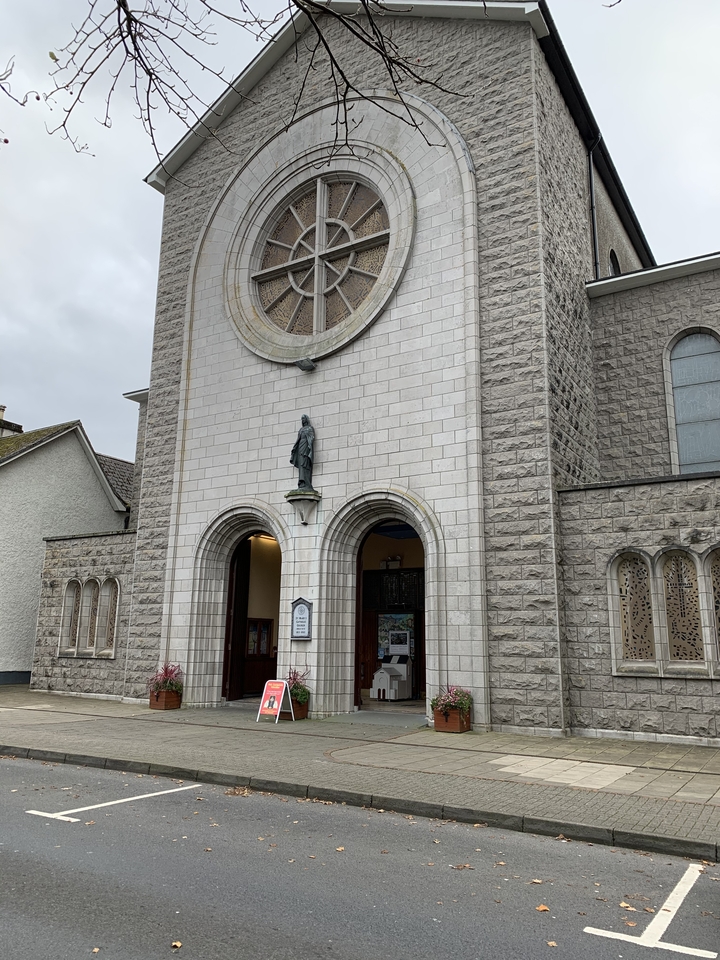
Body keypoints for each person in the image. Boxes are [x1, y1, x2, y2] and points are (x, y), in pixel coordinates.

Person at [290, 414, 315, 490]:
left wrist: (309, 446)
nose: (303, 420)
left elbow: (311, 437)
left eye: (304, 418)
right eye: (302, 419)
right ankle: (301, 483)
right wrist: (294, 448)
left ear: (306, 419)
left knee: (305, 465)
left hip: (306, 448)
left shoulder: (310, 428)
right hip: (300, 448)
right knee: (301, 466)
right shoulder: (301, 430)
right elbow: (298, 439)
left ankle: (307, 484)